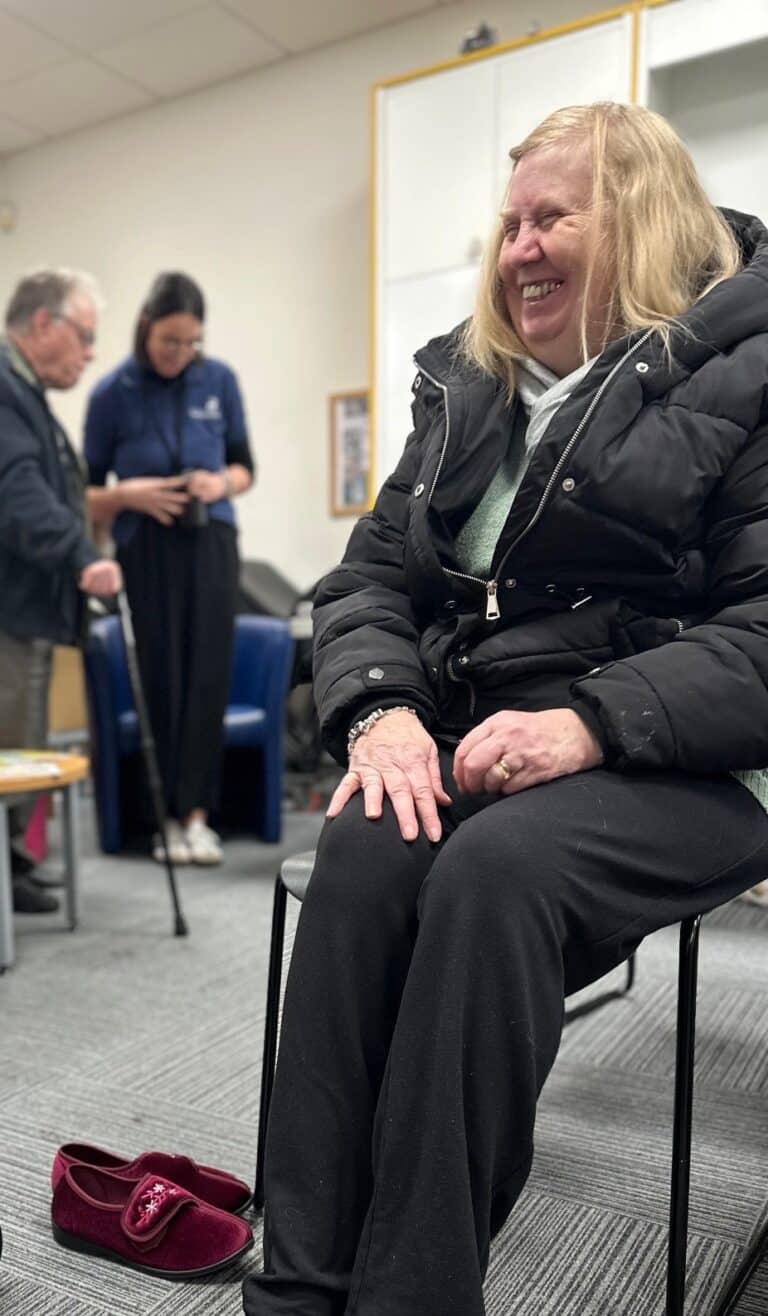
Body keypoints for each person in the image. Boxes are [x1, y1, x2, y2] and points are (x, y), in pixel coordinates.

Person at [243, 101, 768, 1316]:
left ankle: (412, 1294)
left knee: (494, 876)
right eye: (509, 222)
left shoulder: (749, 367)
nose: (518, 247)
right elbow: (369, 578)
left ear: (637, 225)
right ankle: (301, 1282)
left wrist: (590, 721)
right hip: (483, 731)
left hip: (688, 752)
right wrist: (378, 709)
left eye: (553, 218)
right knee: (368, 851)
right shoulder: (465, 382)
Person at [84, 272, 254, 865]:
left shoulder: (220, 381)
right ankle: (162, 824)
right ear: (144, 332)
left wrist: (217, 484)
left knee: (208, 675)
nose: (180, 355)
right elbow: (84, 492)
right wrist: (128, 496)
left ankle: (199, 818)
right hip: (143, 549)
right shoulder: (112, 393)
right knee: (161, 678)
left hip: (210, 541)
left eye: (191, 343)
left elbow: (244, 470)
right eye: (168, 343)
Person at [0, 269, 122, 915]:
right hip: (11, 614)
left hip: (29, 611)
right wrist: (81, 555)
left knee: (22, 741)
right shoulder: (3, 387)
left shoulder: (25, 393)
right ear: (43, 324)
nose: (91, 352)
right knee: (10, 744)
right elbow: (16, 494)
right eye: (85, 335)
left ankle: (13, 868)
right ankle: (5, 873)